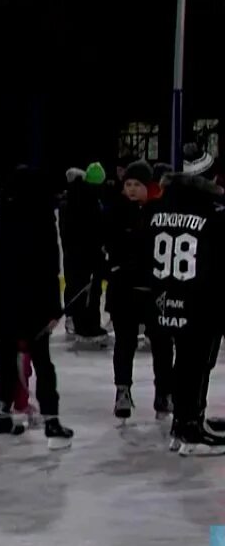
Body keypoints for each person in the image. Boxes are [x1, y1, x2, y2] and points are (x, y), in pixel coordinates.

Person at [146, 145, 225, 454]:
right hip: (201, 302)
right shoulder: (213, 211)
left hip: (165, 300)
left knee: (180, 363)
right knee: (196, 364)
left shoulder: (156, 209)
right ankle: (191, 427)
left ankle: (181, 424)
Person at [0, 166, 73, 448]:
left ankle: (1, 415)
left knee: (6, 362)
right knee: (42, 363)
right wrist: (54, 308)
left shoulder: (1, 219)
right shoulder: (43, 219)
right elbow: (49, 266)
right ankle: (51, 420)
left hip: (5, 303)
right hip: (34, 304)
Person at [103, 160, 174, 421]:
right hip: (124, 292)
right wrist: (111, 268)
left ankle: (164, 393)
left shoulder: (161, 212)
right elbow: (105, 248)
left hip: (155, 292)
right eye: (128, 184)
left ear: (149, 186)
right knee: (125, 343)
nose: (131, 189)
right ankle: (123, 391)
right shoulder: (115, 212)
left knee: (163, 345)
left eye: (137, 185)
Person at [60, 163, 109, 348]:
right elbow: (91, 230)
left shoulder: (74, 198)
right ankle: (87, 327)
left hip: (77, 255)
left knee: (81, 288)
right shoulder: (88, 201)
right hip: (86, 255)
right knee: (89, 290)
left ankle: (83, 323)